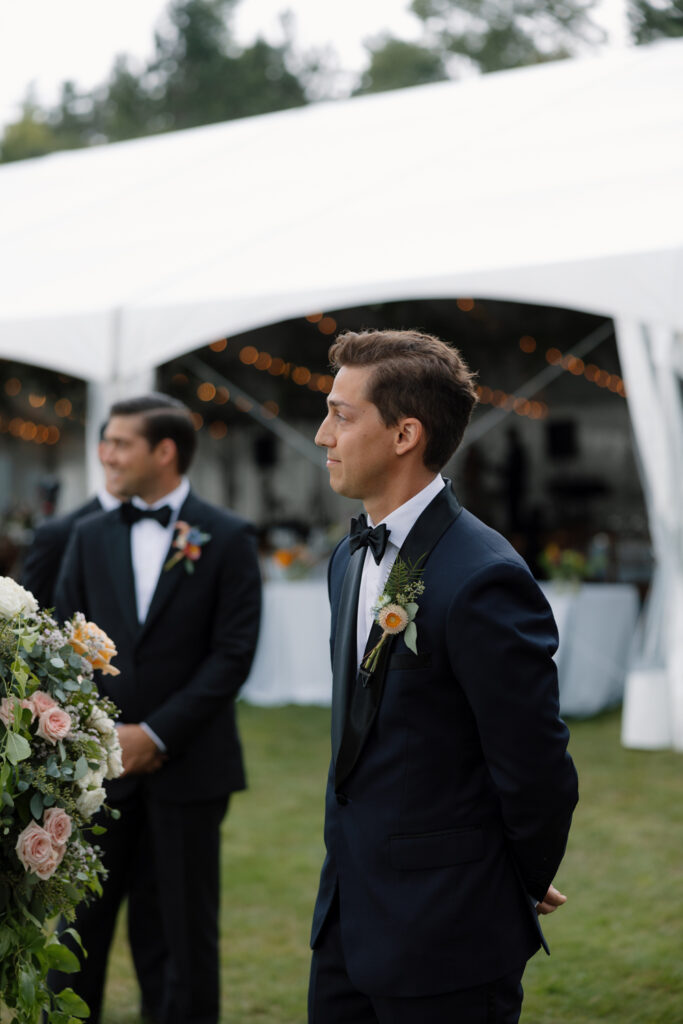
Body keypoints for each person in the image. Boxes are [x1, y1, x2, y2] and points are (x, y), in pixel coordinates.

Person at [308, 330, 579, 1024]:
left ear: (404, 434)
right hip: (346, 919)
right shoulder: (348, 557)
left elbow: (536, 769)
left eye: (342, 415)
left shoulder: (482, 575)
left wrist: (509, 878)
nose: (320, 435)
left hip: (447, 933)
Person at [52, 393, 262, 1024]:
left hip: (190, 768)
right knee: (76, 931)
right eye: (105, 441)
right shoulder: (85, 536)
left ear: (164, 451)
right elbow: (62, 647)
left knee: (182, 935)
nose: (105, 454)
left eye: (119, 442)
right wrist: (102, 734)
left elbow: (233, 654)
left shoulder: (226, 537)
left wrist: (157, 733)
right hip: (98, 772)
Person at [21, 430, 124, 609]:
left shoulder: (177, 526)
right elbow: (29, 617)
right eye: (123, 446)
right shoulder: (58, 534)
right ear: (104, 452)